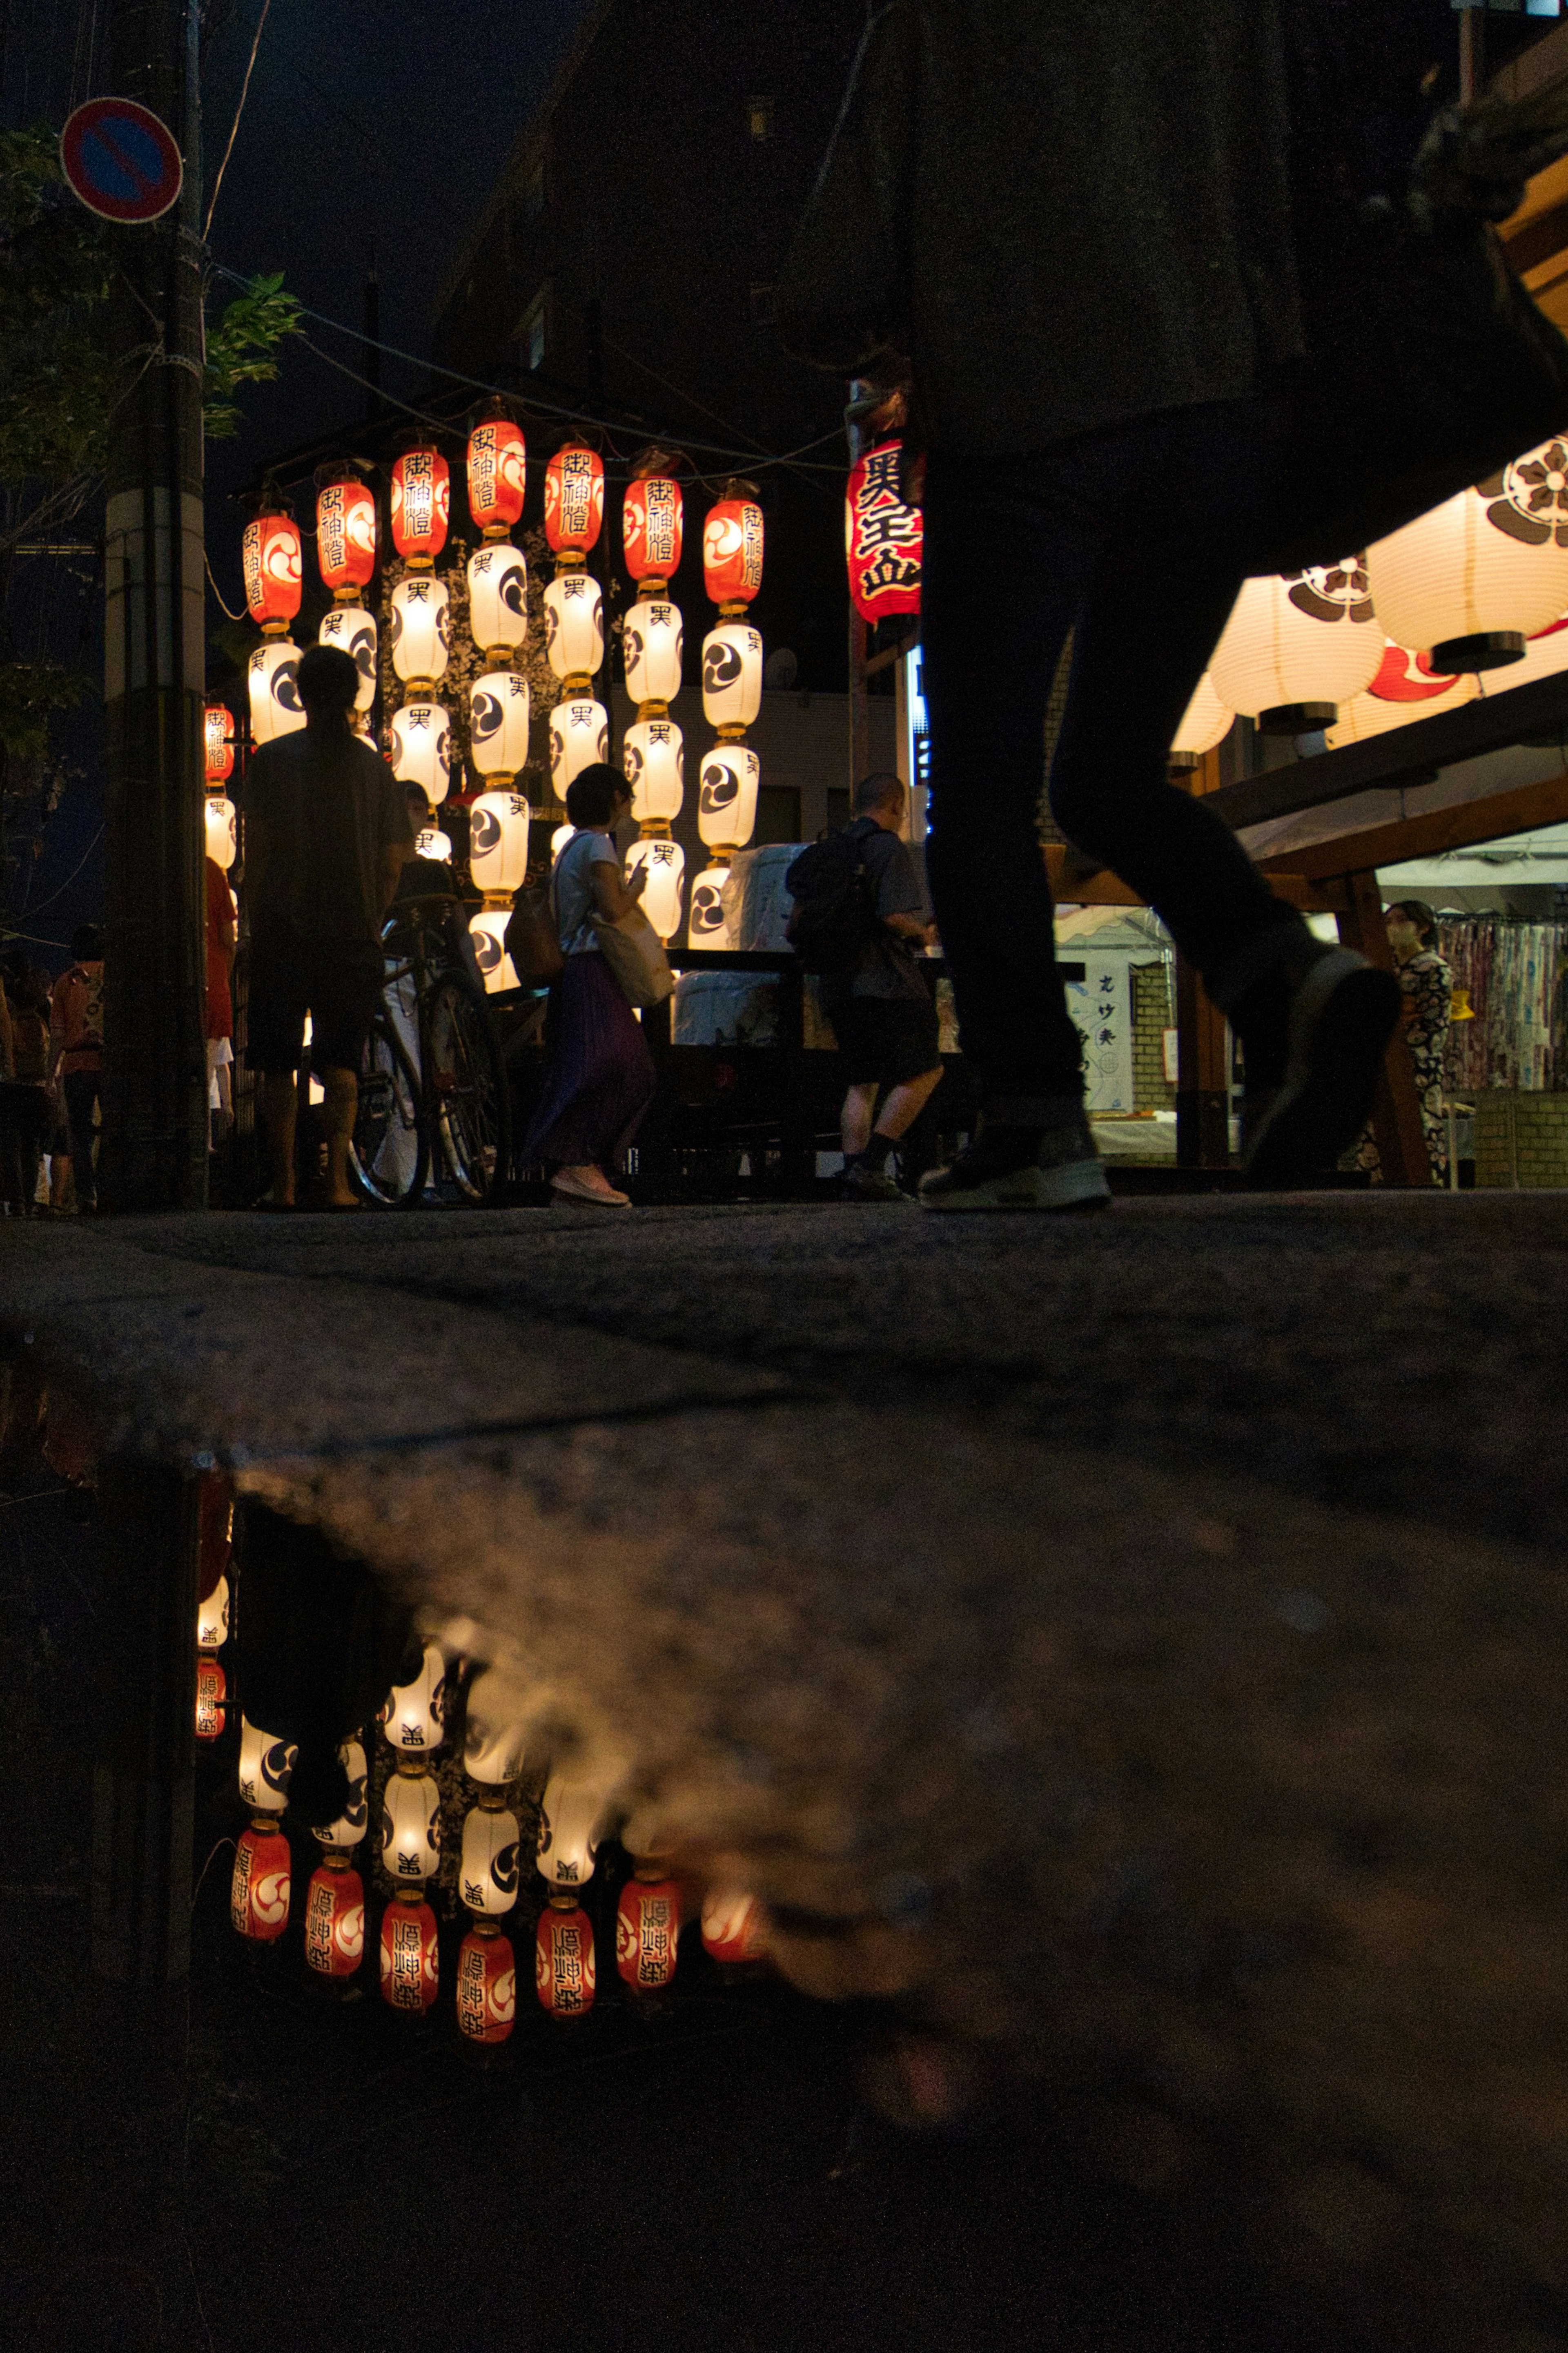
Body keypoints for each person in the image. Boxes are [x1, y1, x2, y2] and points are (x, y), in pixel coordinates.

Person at [777, 0, 1415, 1209]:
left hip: (1027, 414)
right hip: (1222, 402)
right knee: (1109, 771)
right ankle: (1284, 973)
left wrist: (899, 325)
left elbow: (831, 274)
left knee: (981, 783)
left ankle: (1031, 1116)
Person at [242, 642, 414, 1209]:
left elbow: (259, 854)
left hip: (283, 930)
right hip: (351, 934)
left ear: (300, 693)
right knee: (341, 1061)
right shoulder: (373, 768)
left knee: (278, 1063)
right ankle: (339, 1184)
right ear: (353, 696)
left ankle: (285, 1185)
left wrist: (251, 926)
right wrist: (372, 913)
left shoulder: (270, 760)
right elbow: (393, 860)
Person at [521, 763, 656, 1207]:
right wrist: (635, 886)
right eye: (627, 797)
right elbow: (614, 910)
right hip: (594, 969)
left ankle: (581, 1164)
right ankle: (579, 1161)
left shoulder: (570, 847)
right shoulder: (598, 843)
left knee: (590, 1064)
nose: (629, 805)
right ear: (615, 799)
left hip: (574, 974)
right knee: (623, 1063)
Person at [815, 772, 944, 1201]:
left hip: (837, 983)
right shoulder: (887, 847)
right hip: (885, 981)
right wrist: (923, 933)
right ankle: (872, 1164)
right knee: (927, 1067)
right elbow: (893, 916)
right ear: (895, 806)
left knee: (861, 1080)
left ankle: (856, 1175)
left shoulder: (831, 847)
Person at [1356, 900, 1453, 1185]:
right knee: (1377, 1133)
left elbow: (1431, 1024)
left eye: (1400, 921)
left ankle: (1423, 1187)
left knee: (1419, 1130)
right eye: (1387, 922)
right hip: (1380, 1061)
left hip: (1418, 1063)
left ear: (1422, 928)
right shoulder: (1384, 965)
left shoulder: (1433, 967)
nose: (1393, 928)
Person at [49, 925, 105, 1212]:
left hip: (75, 1066)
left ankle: (87, 1196)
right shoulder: (111, 978)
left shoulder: (65, 982)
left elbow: (57, 1035)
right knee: (114, 1129)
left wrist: (50, 1076)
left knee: (79, 1135)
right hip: (109, 1063)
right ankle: (111, 1189)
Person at [0, 957, 52, 1217]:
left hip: (10, 1083)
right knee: (32, 1145)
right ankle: (30, 1200)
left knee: (11, 1145)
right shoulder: (38, 1009)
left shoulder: (7, 1002)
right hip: (36, 1083)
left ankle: (17, 1201)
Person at [205, 854, 236, 1149]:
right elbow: (229, 937)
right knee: (205, 1069)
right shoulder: (212, 872)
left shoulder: (154, 869)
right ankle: (203, 1147)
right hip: (212, 983)